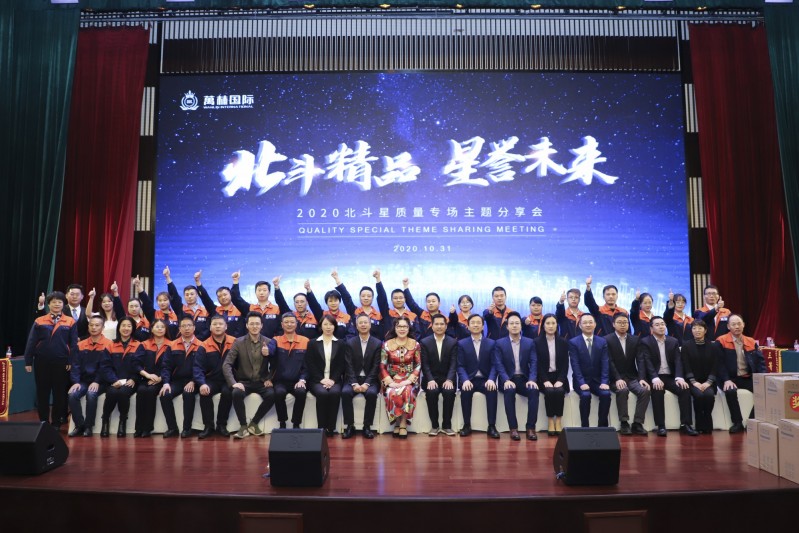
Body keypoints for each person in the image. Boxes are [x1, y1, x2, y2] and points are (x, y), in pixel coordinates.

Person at [25, 291, 78, 429]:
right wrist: (28, 361)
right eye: (54, 302)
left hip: (62, 363)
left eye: (59, 302)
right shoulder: (39, 320)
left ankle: (56, 423)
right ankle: (43, 421)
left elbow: (73, 344)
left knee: (59, 393)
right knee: (42, 393)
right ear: (48, 304)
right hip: (41, 362)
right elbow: (31, 341)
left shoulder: (70, 321)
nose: (57, 304)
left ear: (63, 304)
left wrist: (70, 361)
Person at [637, 316, 698, 437]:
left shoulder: (673, 341)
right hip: (654, 376)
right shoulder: (645, 341)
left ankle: (685, 424)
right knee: (657, 390)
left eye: (662, 324)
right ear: (651, 328)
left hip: (670, 376)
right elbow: (647, 361)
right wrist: (654, 378)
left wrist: (679, 377)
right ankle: (661, 426)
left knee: (684, 389)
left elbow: (678, 360)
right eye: (657, 325)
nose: (661, 327)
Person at [222, 312, 277, 439]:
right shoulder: (238, 342)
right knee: (236, 393)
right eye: (251, 324)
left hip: (262, 381)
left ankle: (254, 423)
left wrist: (269, 378)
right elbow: (227, 364)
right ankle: (243, 426)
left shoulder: (269, 342)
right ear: (247, 325)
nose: (254, 326)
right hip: (244, 381)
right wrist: (233, 383)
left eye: (257, 324)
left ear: (262, 325)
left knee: (272, 395)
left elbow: (276, 364)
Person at [715, 314, 766, 433]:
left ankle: (751, 422)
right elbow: (718, 364)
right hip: (730, 378)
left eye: (739, 324)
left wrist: (763, 379)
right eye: (733, 324)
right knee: (730, 391)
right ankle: (737, 422)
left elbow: (761, 363)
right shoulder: (721, 341)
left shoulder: (751, 341)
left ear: (743, 325)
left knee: (764, 392)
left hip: (747, 377)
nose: (737, 326)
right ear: (728, 326)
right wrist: (726, 379)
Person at [494, 311, 539, 441]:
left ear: (521, 325)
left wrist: (532, 379)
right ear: (507, 326)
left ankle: (531, 428)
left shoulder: (529, 342)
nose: (514, 326)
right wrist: (506, 380)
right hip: (508, 379)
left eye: (517, 323)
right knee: (509, 390)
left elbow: (534, 362)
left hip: (524, 379)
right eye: (512, 323)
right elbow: (499, 364)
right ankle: (513, 428)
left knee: (534, 390)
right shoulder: (499, 343)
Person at [604, 313, 650, 436]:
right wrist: (617, 378)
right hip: (615, 378)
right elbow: (609, 361)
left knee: (645, 391)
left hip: (632, 377)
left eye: (625, 322)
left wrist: (642, 378)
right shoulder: (607, 339)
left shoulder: (635, 339)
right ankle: (624, 422)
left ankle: (637, 423)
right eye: (619, 322)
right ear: (613, 324)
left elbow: (640, 360)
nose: (623, 325)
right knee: (622, 390)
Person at [456, 314, 499, 438]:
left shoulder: (491, 343)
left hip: (485, 379)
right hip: (469, 379)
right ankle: (466, 425)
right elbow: (460, 365)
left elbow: (494, 364)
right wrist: (465, 380)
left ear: (483, 326)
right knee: (465, 391)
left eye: (478, 323)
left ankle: (491, 426)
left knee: (492, 390)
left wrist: (491, 379)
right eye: (473, 323)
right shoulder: (462, 343)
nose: (475, 325)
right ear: (468, 326)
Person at [159, 316, 202, 438]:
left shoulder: (201, 345)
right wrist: (166, 383)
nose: (186, 328)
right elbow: (166, 366)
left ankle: (187, 428)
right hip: (177, 381)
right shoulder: (172, 345)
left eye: (189, 326)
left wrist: (194, 381)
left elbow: (203, 367)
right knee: (165, 394)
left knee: (188, 394)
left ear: (194, 328)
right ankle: (172, 428)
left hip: (194, 381)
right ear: (179, 329)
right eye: (183, 326)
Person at [100, 317, 143, 438]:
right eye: (123, 325)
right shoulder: (110, 344)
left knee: (124, 393)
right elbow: (105, 366)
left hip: (130, 381)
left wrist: (134, 379)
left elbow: (139, 365)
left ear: (133, 329)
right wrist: (113, 380)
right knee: (112, 392)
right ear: (119, 328)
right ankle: (105, 420)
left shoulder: (138, 345)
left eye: (129, 326)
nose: (126, 328)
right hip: (113, 380)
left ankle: (122, 421)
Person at [67, 315, 110, 437]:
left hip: (101, 382)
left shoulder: (108, 344)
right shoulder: (81, 344)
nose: (94, 327)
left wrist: (97, 381)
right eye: (91, 325)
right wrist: (75, 382)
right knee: (72, 394)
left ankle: (88, 426)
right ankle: (79, 425)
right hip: (83, 381)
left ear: (103, 327)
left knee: (91, 394)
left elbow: (106, 367)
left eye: (97, 325)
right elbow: (75, 365)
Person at [380, 316, 422, 439]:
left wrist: (409, 380)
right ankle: (397, 423)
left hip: (410, 379)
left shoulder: (415, 344)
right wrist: (390, 382)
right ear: (395, 328)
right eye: (399, 326)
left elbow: (418, 365)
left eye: (405, 326)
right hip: (392, 379)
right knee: (391, 392)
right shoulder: (386, 345)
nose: (402, 329)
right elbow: (382, 365)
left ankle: (402, 424)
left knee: (407, 391)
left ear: (409, 328)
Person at [194, 315, 235, 438]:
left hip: (229, 379)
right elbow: (198, 367)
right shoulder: (204, 345)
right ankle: (208, 426)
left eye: (220, 324)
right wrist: (202, 383)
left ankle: (221, 425)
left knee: (228, 392)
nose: (218, 326)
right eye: (215, 324)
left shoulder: (235, 342)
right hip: (211, 380)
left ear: (226, 326)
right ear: (210, 327)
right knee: (204, 392)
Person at [342, 313, 382, 439]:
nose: (363, 325)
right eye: (361, 323)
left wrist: (366, 383)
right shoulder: (350, 343)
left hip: (370, 379)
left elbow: (376, 366)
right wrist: (354, 383)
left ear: (370, 325)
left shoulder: (377, 343)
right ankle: (350, 426)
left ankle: (367, 426)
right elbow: (348, 365)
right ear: (356, 325)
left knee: (371, 394)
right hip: (353, 379)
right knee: (345, 393)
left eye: (366, 322)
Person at [306, 315, 347, 436]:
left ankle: (331, 428)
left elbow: (341, 364)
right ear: (320, 326)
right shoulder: (313, 343)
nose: (328, 327)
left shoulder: (341, 343)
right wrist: (322, 379)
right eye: (325, 324)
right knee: (322, 393)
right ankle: (322, 427)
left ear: (335, 326)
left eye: (331, 324)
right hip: (317, 380)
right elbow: (310, 364)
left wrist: (333, 380)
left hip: (335, 380)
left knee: (335, 393)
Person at [568, 314, 611, 428]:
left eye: (590, 322)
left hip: (597, 380)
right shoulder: (573, 342)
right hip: (581, 381)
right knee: (586, 396)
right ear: (580, 325)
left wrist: (604, 382)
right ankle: (585, 426)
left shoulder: (602, 341)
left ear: (595, 324)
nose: (588, 325)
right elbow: (575, 365)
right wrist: (581, 383)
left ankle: (602, 426)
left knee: (606, 394)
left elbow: (605, 363)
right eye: (585, 322)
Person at [419, 313, 458, 436]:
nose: (439, 326)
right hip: (431, 378)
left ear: (446, 326)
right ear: (432, 326)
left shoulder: (453, 342)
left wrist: (450, 379)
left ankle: (447, 425)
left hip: (447, 378)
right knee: (432, 392)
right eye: (437, 324)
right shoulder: (424, 342)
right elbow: (424, 364)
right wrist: (430, 379)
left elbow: (453, 364)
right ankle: (434, 426)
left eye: (442, 324)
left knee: (449, 392)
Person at [271, 313, 309, 430]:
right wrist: (267, 351)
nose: (289, 324)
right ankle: (282, 423)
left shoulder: (305, 341)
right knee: (279, 393)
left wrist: (302, 379)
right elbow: (270, 352)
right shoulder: (275, 340)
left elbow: (308, 365)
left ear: (296, 324)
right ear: (282, 325)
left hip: (298, 380)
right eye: (286, 322)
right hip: (280, 381)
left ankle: (296, 424)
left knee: (301, 392)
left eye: (292, 322)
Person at [681, 320, 719, 434]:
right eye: (694, 328)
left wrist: (708, 382)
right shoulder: (686, 346)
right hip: (693, 381)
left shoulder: (713, 346)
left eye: (700, 328)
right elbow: (686, 365)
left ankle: (707, 421)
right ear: (691, 330)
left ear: (705, 330)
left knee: (709, 395)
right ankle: (699, 423)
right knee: (699, 395)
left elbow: (715, 365)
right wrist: (694, 382)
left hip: (708, 381)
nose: (697, 331)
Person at [534, 313, 569, 436]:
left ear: (556, 325)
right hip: (543, 377)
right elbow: (537, 364)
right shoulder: (537, 342)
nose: (550, 326)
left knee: (559, 391)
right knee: (549, 392)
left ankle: (558, 420)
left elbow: (565, 364)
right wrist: (545, 380)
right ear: (543, 326)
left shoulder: (563, 342)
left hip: (559, 377)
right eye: (548, 323)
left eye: (553, 323)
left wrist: (561, 380)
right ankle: (550, 421)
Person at [134, 319, 168, 438]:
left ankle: (147, 428)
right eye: (157, 327)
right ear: (152, 329)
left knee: (150, 392)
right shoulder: (144, 344)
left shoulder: (171, 344)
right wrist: (147, 375)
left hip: (162, 379)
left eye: (162, 327)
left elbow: (172, 366)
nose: (160, 329)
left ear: (166, 330)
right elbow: (136, 364)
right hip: (146, 378)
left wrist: (160, 378)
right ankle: (139, 427)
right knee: (141, 391)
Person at [331, 269, 383, 339]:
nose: (366, 298)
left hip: (374, 345)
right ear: (359, 297)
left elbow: (382, 298)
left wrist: (378, 279)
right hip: (356, 344)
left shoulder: (379, 315)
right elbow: (346, 298)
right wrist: (337, 279)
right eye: (363, 296)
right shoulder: (354, 311)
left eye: (369, 296)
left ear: (372, 298)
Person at [164, 266, 210, 341]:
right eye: (187, 294)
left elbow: (208, 329)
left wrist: (198, 342)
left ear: (197, 295)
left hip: (202, 344)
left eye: (192, 294)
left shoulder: (205, 311)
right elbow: (174, 296)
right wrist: (168, 277)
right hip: (183, 343)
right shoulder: (181, 310)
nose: (189, 296)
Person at [230, 271, 281, 338]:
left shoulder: (277, 309)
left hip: (271, 343)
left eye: (264, 290)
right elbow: (235, 298)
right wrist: (235, 281)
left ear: (269, 292)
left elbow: (280, 330)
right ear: (255, 292)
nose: (261, 293)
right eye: (259, 290)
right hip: (251, 343)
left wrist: (274, 342)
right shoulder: (250, 308)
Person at [195, 270, 244, 338]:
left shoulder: (239, 310)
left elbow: (241, 331)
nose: (223, 297)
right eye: (219, 296)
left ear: (230, 295)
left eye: (225, 295)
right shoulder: (214, 310)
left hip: (236, 343)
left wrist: (235, 281)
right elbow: (205, 298)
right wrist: (198, 282)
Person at [374, 270, 420, 340]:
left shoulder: (413, 316)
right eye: (395, 298)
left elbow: (417, 334)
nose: (398, 300)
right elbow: (382, 298)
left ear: (405, 299)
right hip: (390, 345)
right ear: (391, 300)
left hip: (409, 346)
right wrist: (378, 279)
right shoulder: (387, 313)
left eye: (401, 298)